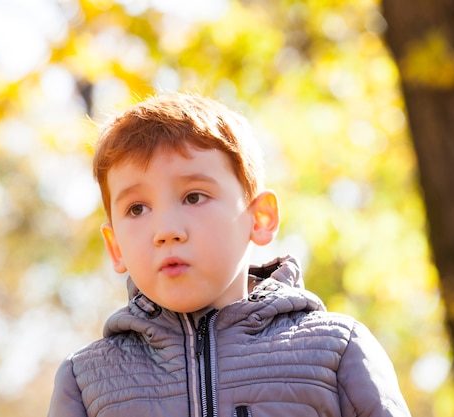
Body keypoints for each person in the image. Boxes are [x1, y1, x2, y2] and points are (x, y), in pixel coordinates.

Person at [48, 93, 411, 417]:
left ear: (260, 218)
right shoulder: (87, 381)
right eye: (137, 209)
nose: (166, 231)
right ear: (115, 247)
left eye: (193, 197)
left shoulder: (334, 351)